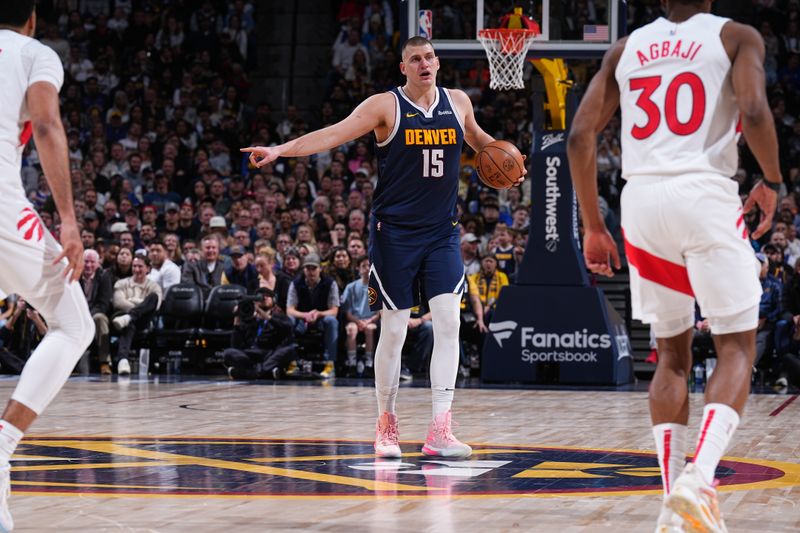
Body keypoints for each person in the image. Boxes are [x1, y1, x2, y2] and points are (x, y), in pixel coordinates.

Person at [242, 36, 524, 459]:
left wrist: (512, 166)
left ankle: (440, 429)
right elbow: (333, 134)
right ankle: (386, 424)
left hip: (442, 233)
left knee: (448, 324)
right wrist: (281, 149)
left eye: (429, 57)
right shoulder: (385, 106)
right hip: (394, 235)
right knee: (392, 331)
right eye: (416, 59)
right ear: (403, 67)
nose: (424, 64)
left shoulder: (458, 102)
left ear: (437, 62)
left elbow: (483, 143)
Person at [568, 2, 782, 531]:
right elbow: (753, 112)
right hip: (703, 192)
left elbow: (579, 137)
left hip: (642, 201)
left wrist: (595, 225)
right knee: (736, 346)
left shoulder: (625, 48)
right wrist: (773, 182)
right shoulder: (736, 36)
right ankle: (700, 479)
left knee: (671, 355)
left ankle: (673, 503)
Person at [0, 4, 96, 530]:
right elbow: (47, 123)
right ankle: (3, 444)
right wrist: (68, 219)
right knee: (74, 324)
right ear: (32, 17)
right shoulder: (33, 53)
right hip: (2, 209)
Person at [222, 288, 295, 380]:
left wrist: (264, 315)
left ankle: (245, 373)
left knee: (289, 350)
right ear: (255, 302)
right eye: (260, 297)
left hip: (269, 354)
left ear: (274, 300)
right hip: (251, 355)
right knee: (228, 353)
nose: (264, 298)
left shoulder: (280, 317)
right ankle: (264, 372)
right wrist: (237, 322)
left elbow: (288, 328)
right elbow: (235, 346)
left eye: (267, 296)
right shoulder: (249, 319)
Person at [111, 255, 162, 375]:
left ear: (148, 269)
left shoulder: (154, 286)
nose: (137, 269)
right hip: (121, 316)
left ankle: (129, 318)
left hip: (142, 321)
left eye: (140, 266)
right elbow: (118, 303)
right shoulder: (121, 283)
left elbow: (156, 304)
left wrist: (132, 302)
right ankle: (123, 361)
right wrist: (141, 305)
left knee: (153, 297)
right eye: (134, 266)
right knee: (129, 325)